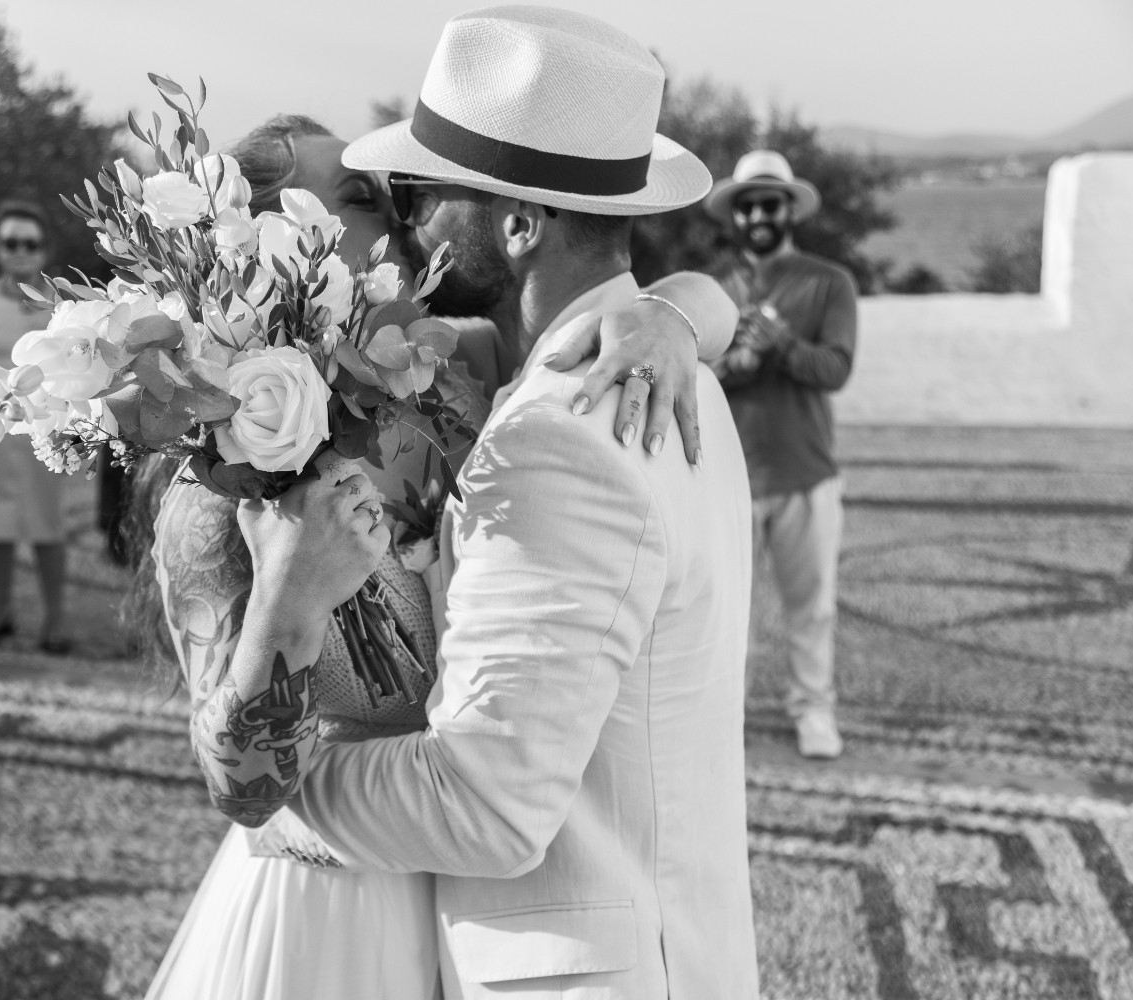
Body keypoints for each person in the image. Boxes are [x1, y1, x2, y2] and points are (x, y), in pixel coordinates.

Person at [142, 97, 742, 1000]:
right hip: (328, 907)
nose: (401, 210)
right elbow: (239, 785)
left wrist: (670, 313)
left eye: (402, 191)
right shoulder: (213, 488)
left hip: (465, 875)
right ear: (263, 248)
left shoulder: (445, 371)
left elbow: (630, 298)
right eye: (363, 196)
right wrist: (288, 599)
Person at [703, 149, 858, 759]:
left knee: (811, 608)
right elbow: (695, 372)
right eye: (747, 206)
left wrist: (781, 342)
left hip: (805, 472)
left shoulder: (829, 283)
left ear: (789, 210)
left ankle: (813, 710)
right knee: (723, 612)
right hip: (727, 476)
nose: (759, 215)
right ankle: (724, 716)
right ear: (734, 216)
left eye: (770, 204)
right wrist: (736, 366)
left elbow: (835, 369)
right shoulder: (714, 288)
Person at [0, 200, 72, 653]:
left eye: (30, 243)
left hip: (43, 426)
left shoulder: (58, 300)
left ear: (45, 249)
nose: (20, 251)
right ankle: (0, 613)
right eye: (10, 242)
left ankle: (55, 621)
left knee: (47, 523)